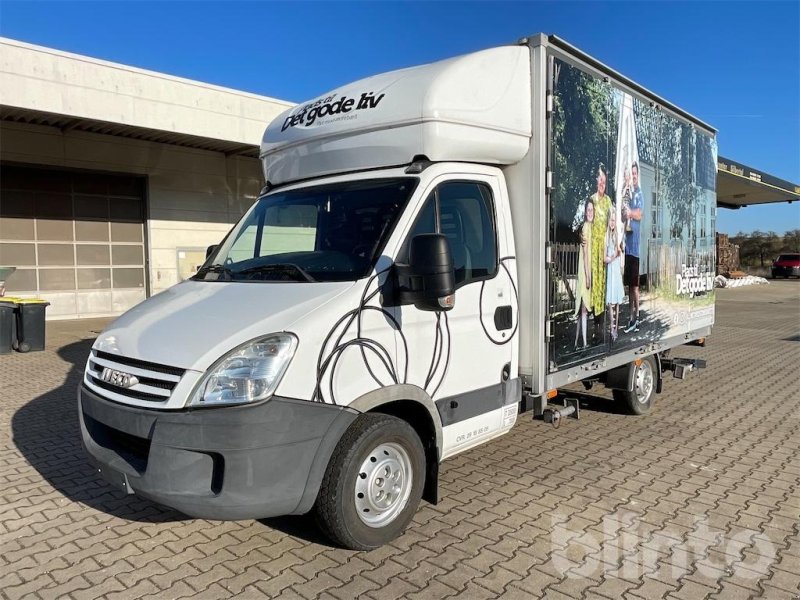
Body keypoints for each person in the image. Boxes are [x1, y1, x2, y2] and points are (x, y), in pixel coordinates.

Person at [589, 165, 613, 321]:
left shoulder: (608, 201)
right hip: (592, 246)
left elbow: (611, 224)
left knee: (603, 283)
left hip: (603, 247)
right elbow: (587, 221)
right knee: (592, 282)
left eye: (604, 181)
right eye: (600, 180)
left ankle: (601, 319)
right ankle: (592, 313)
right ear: (596, 181)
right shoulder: (592, 200)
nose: (602, 184)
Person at [623, 162, 643, 332]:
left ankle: (637, 316)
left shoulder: (640, 194)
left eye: (635, 173)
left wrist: (629, 213)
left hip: (635, 249)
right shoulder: (628, 193)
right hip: (627, 249)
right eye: (631, 173)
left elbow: (639, 214)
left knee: (635, 286)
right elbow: (625, 215)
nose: (633, 176)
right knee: (629, 286)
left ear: (638, 175)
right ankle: (631, 318)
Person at [574, 200, 594, 349]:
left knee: (582, 308)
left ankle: (577, 342)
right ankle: (585, 342)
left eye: (591, 210)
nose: (590, 212)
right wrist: (588, 276)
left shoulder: (587, 227)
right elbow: (586, 254)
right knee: (584, 309)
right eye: (588, 210)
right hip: (584, 270)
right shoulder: (587, 228)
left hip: (583, 270)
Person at [604, 208, 624, 341]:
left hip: (616, 269)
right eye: (611, 220)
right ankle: (611, 327)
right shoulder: (606, 236)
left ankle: (616, 328)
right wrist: (612, 258)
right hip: (610, 268)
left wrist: (619, 253)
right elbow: (604, 258)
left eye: (614, 220)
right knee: (610, 300)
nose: (612, 223)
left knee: (617, 300)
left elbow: (620, 252)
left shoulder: (617, 235)